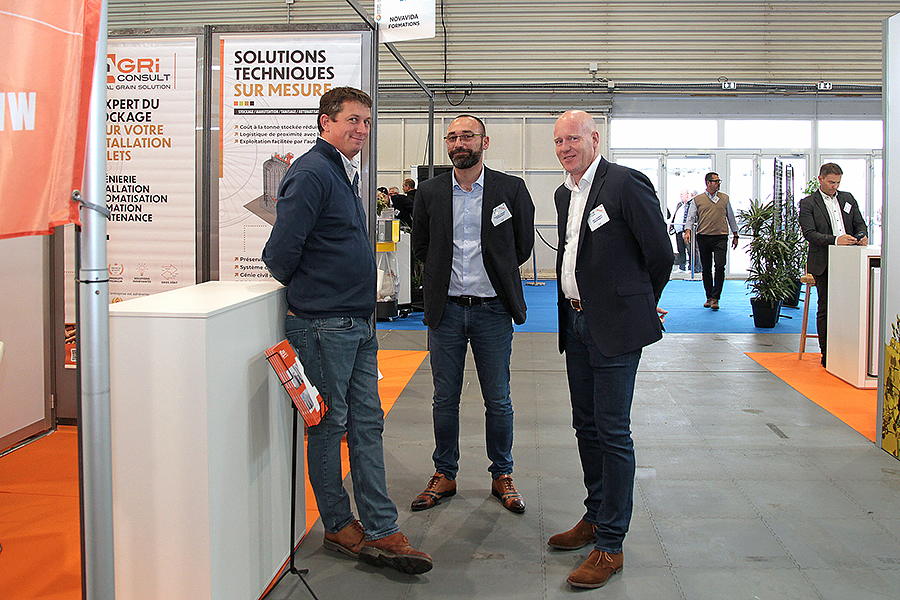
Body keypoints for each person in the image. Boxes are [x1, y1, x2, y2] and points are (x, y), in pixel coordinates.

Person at [261, 87, 432, 575]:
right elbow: (280, 255)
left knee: (366, 425)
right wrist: (320, 290)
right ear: (325, 122)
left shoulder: (342, 172)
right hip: (323, 325)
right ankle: (338, 523)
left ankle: (381, 527)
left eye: (367, 121)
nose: (361, 129)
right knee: (329, 426)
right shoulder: (312, 173)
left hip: (356, 323)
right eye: (352, 119)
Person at [549, 110, 672, 589]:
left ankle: (611, 544)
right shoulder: (565, 193)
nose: (565, 148)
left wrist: (640, 302)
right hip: (576, 321)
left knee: (613, 432)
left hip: (616, 326)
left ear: (594, 138)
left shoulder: (624, 183)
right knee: (586, 426)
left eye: (573, 139)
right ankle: (596, 514)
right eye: (558, 141)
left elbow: (659, 253)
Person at [410, 114, 535, 515]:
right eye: (452, 137)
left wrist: (494, 271)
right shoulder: (429, 192)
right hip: (445, 311)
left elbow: (522, 246)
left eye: (467, 136)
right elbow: (421, 246)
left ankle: (502, 474)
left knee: (498, 398)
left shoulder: (510, 189)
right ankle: (444, 473)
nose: (459, 143)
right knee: (444, 398)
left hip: (492, 311)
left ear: (485, 141)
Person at [798, 162, 868, 367]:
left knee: (851, 307)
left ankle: (851, 351)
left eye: (837, 183)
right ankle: (827, 353)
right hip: (824, 262)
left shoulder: (848, 199)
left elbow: (860, 223)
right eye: (831, 182)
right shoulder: (808, 203)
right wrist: (836, 240)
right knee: (826, 307)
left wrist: (861, 236)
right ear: (820, 179)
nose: (834, 187)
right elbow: (810, 234)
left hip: (851, 261)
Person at [683, 173, 739, 310]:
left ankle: (716, 298)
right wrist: (688, 231)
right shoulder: (698, 200)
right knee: (706, 268)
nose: (718, 183)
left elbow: (731, 217)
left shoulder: (724, 198)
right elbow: (691, 217)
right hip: (704, 237)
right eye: (716, 181)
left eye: (719, 181)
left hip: (721, 236)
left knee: (720, 266)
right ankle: (709, 296)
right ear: (708, 183)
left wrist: (735, 234)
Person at [669, 190, 692, 271]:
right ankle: (682, 267)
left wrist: (685, 230)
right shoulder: (679, 205)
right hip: (678, 231)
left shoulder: (690, 205)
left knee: (689, 250)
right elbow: (675, 216)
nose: (681, 196)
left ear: (687, 195)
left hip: (686, 232)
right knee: (680, 250)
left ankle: (691, 267)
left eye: (682, 194)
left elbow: (689, 217)